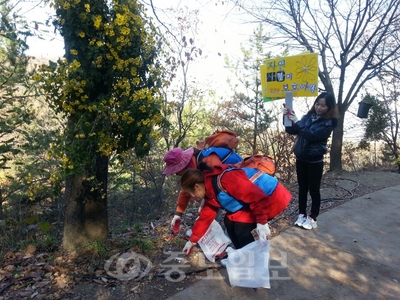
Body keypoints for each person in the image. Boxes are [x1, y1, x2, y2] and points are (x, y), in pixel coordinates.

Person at [179, 164, 292, 254]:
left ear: (197, 187)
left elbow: (258, 197)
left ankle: (253, 261)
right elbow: (205, 218)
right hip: (256, 201)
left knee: (241, 228)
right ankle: (242, 255)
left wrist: (261, 223)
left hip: (272, 196)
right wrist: (192, 241)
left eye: (191, 193)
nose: (194, 197)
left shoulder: (225, 180)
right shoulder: (209, 191)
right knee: (228, 221)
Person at [284, 92, 339, 230]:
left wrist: (297, 121)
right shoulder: (308, 117)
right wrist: (287, 117)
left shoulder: (330, 122)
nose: (319, 107)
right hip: (301, 158)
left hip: (315, 161)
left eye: (323, 105)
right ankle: (301, 214)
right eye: (317, 104)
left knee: (314, 190)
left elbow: (312, 135)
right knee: (302, 188)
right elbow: (292, 130)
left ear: (329, 107)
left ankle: (312, 217)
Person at [163, 147, 243, 232]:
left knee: (236, 224)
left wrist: (205, 204)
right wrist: (179, 213)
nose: (176, 173)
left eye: (176, 170)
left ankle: (216, 237)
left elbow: (216, 187)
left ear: (183, 166)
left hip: (240, 184)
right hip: (226, 190)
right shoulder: (192, 166)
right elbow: (187, 189)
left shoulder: (207, 161)